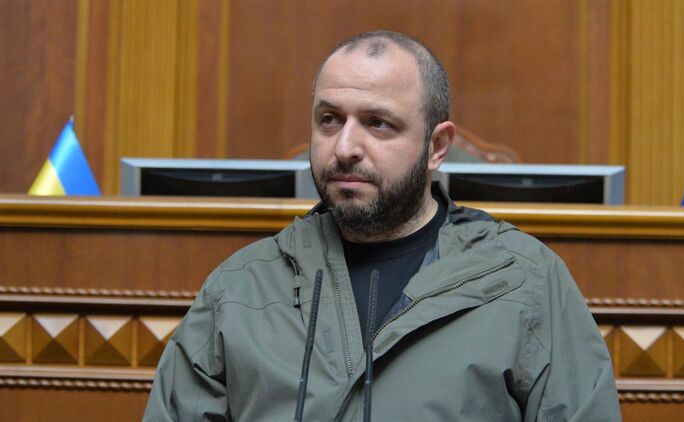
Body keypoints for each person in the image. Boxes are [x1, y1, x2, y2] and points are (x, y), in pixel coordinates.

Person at [143, 30, 621, 421]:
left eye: (378, 123)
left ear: (436, 146)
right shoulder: (239, 289)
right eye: (329, 120)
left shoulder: (524, 282)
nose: (344, 147)